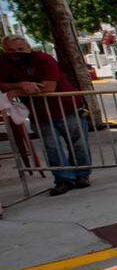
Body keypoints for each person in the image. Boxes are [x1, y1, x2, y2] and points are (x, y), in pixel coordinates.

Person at [0, 35, 92, 195]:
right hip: (40, 113)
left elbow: (48, 87)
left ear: (28, 47)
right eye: (11, 50)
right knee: (51, 148)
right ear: (5, 50)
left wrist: (16, 90)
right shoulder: (4, 62)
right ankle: (63, 179)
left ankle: (82, 175)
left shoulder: (43, 59)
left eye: (20, 49)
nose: (16, 53)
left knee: (78, 143)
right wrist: (21, 84)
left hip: (67, 108)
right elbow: (2, 85)